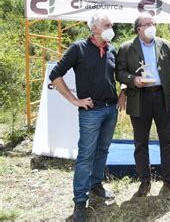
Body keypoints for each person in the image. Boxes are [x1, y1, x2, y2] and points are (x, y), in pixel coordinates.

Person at [49, 12, 125, 222]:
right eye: (107, 24)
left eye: (112, 24)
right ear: (94, 29)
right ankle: (80, 202)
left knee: (103, 150)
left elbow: (121, 74)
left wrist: (123, 92)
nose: (112, 28)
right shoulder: (78, 48)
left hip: (111, 111)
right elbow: (55, 75)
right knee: (85, 156)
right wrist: (75, 100)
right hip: (91, 112)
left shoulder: (112, 49)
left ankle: (96, 185)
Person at [116, 13, 170, 197]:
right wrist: (133, 79)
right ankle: (144, 181)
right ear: (138, 28)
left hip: (162, 97)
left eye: (153, 23)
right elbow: (120, 72)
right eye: (148, 23)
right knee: (140, 142)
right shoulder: (126, 47)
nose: (152, 26)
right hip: (139, 98)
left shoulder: (164, 44)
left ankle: (169, 180)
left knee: (168, 141)